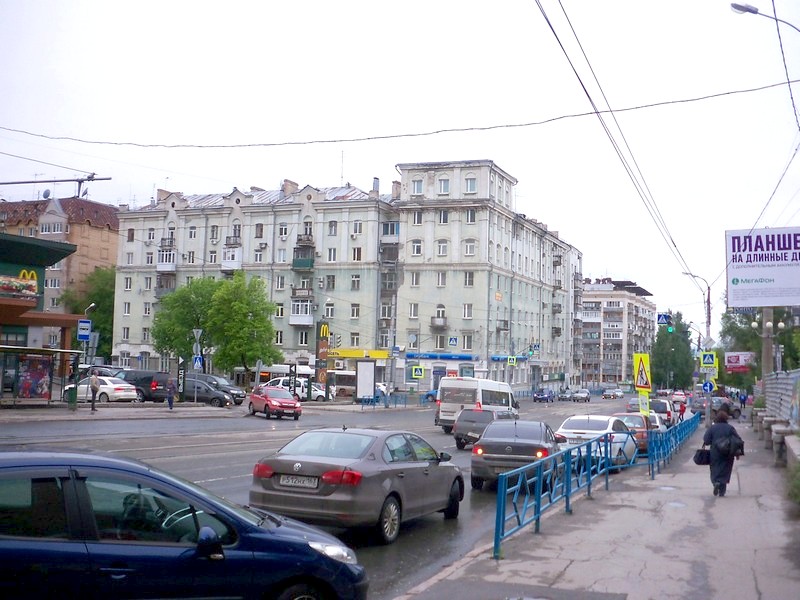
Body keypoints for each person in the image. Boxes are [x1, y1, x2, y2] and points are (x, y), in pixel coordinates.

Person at [702, 407, 743, 497]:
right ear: (726, 419)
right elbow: (737, 440)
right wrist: (737, 453)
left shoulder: (712, 428)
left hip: (715, 453)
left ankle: (715, 482)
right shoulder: (730, 428)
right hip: (728, 453)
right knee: (726, 470)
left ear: (717, 418)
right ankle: (722, 490)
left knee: (714, 469)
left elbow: (706, 440)